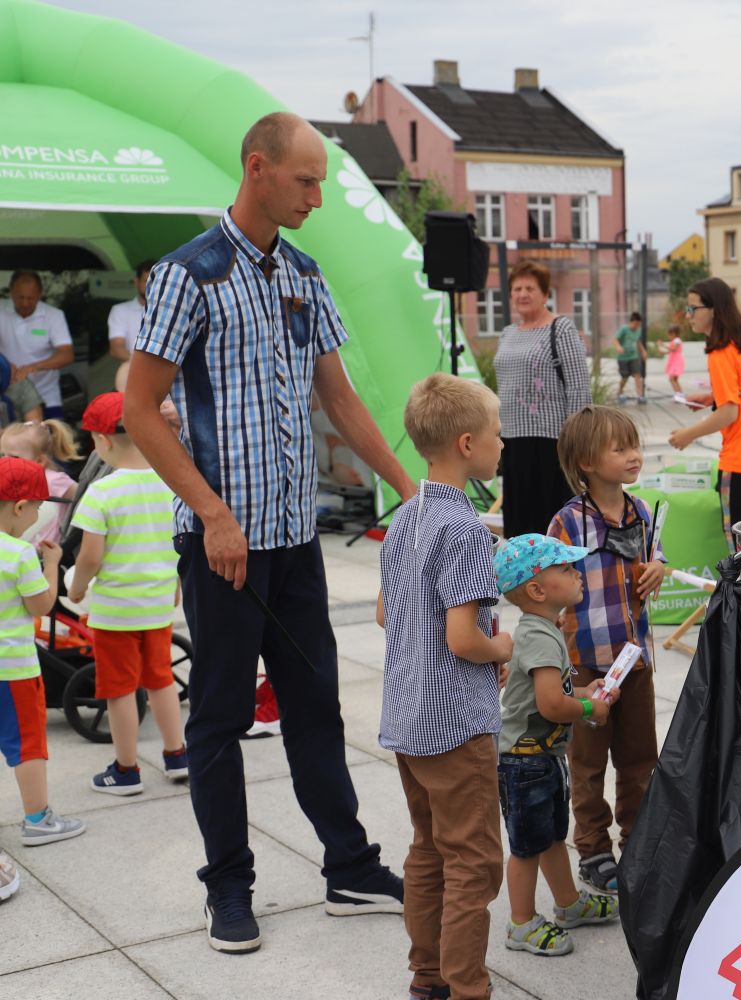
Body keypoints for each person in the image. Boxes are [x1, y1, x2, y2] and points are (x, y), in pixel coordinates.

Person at [124, 111, 419, 954]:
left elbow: (339, 396)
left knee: (315, 709)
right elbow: (142, 412)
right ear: (257, 168)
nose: (317, 196)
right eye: (305, 179)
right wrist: (212, 513)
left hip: (295, 541)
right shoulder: (189, 275)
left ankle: (349, 867)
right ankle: (227, 888)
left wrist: (408, 487)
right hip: (224, 547)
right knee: (217, 722)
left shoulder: (304, 273)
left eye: (323, 181)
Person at [377, 373, 512, 1000]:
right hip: (457, 722)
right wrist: (503, 646)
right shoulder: (465, 531)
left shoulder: (406, 516)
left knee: (427, 852)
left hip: (409, 715)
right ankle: (467, 988)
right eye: (496, 434)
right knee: (474, 865)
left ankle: (427, 978)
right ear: (466, 443)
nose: (502, 445)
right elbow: (464, 638)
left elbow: (386, 612)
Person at [548, 406, 664, 896]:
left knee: (640, 757)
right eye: (619, 449)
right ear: (586, 463)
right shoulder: (568, 522)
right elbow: (547, 583)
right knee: (589, 761)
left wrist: (658, 566)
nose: (633, 456)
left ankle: (637, 841)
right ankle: (594, 847)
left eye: (634, 445)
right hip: (586, 663)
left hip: (633, 659)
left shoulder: (640, 512)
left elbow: (654, 555)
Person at [494, 534, 620, 956]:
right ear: (537, 589)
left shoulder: (542, 629)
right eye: (565, 569)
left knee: (550, 837)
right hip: (524, 762)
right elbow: (551, 704)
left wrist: (587, 688)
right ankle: (521, 923)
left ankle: (567, 904)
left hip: (541, 758)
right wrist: (589, 708)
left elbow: (550, 689)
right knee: (527, 847)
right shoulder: (540, 637)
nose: (576, 573)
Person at [66, 392, 188, 796]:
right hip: (156, 606)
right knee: (161, 681)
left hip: (116, 612)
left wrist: (78, 587)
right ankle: (177, 755)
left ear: (101, 443)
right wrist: (174, 585)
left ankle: (126, 769)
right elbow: (178, 543)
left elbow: (90, 556)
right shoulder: (171, 485)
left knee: (119, 690)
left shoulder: (101, 494)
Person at [0, 458, 85, 848]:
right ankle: (38, 819)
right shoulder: (18, 554)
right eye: (36, 507)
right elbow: (41, 606)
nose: (37, 514)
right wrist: (50, 564)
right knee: (27, 744)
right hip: (14, 670)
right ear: (19, 508)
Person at [667, 277, 741, 549]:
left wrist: (688, 434)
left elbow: (730, 413)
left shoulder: (719, 353)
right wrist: (711, 398)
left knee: (739, 546)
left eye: (693, 309)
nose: (688, 316)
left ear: (714, 310)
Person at [492, 261, 589, 537]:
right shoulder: (507, 333)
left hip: (552, 442)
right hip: (511, 441)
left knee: (551, 522)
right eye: (517, 288)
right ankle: (522, 580)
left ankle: (555, 579)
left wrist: (576, 441)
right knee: (518, 522)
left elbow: (579, 388)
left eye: (530, 288)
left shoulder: (560, 329)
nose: (522, 294)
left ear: (545, 294)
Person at [0, 271, 74, 419]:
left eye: (31, 298)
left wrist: (34, 366)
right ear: (11, 290)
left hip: (47, 396)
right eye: (20, 297)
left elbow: (67, 355)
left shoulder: (54, 315)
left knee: (51, 439)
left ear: (40, 294)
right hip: (6, 394)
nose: (25, 303)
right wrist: (6, 366)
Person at [0, 420, 80, 546]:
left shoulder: (53, 481)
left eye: (14, 457)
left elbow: (84, 496)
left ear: (39, 460)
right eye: (3, 455)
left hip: (49, 550)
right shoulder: (9, 477)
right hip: (21, 545)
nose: (6, 461)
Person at [109, 260, 155, 391]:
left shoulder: (172, 311)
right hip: (132, 384)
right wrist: (143, 365)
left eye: (155, 281)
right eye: (147, 281)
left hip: (168, 390)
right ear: (136, 281)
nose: (151, 285)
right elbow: (116, 349)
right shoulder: (120, 311)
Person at [614, 312, 645, 405]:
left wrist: (643, 351)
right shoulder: (624, 329)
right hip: (623, 358)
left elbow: (638, 341)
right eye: (636, 324)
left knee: (637, 375)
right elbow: (615, 340)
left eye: (639, 324)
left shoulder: (638, 330)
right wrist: (618, 347)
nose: (637, 326)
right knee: (625, 377)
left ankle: (640, 396)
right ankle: (620, 392)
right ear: (632, 322)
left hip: (633, 356)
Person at [661, 324, 685, 395]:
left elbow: (674, 349)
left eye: (670, 334)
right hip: (674, 360)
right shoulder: (675, 341)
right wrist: (664, 352)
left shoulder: (677, 340)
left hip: (676, 361)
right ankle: (680, 393)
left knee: (672, 379)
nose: (669, 336)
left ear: (674, 334)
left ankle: (679, 394)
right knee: (674, 379)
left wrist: (663, 345)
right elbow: (671, 351)